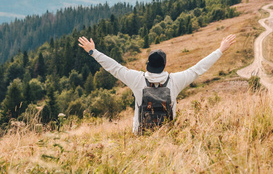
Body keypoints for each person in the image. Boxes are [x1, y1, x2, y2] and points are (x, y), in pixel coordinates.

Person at [78, 34, 236, 134]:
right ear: (165, 64)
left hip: (140, 135)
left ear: (148, 64)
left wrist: (93, 52)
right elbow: (198, 69)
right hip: (167, 135)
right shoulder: (175, 81)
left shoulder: (137, 79)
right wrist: (220, 50)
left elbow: (114, 68)